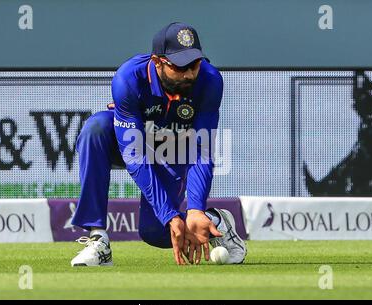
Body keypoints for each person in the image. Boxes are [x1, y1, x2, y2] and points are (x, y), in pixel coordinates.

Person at [70, 22, 247, 266]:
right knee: (95, 129)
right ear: (157, 61)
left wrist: (195, 209)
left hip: (175, 147)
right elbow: (134, 155)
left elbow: (202, 150)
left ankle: (215, 220)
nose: (189, 74)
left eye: (194, 64)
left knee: (154, 232)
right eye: (180, 66)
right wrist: (169, 213)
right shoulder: (128, 78)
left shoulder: (210, 80)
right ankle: (98, 238)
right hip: (133, 145)